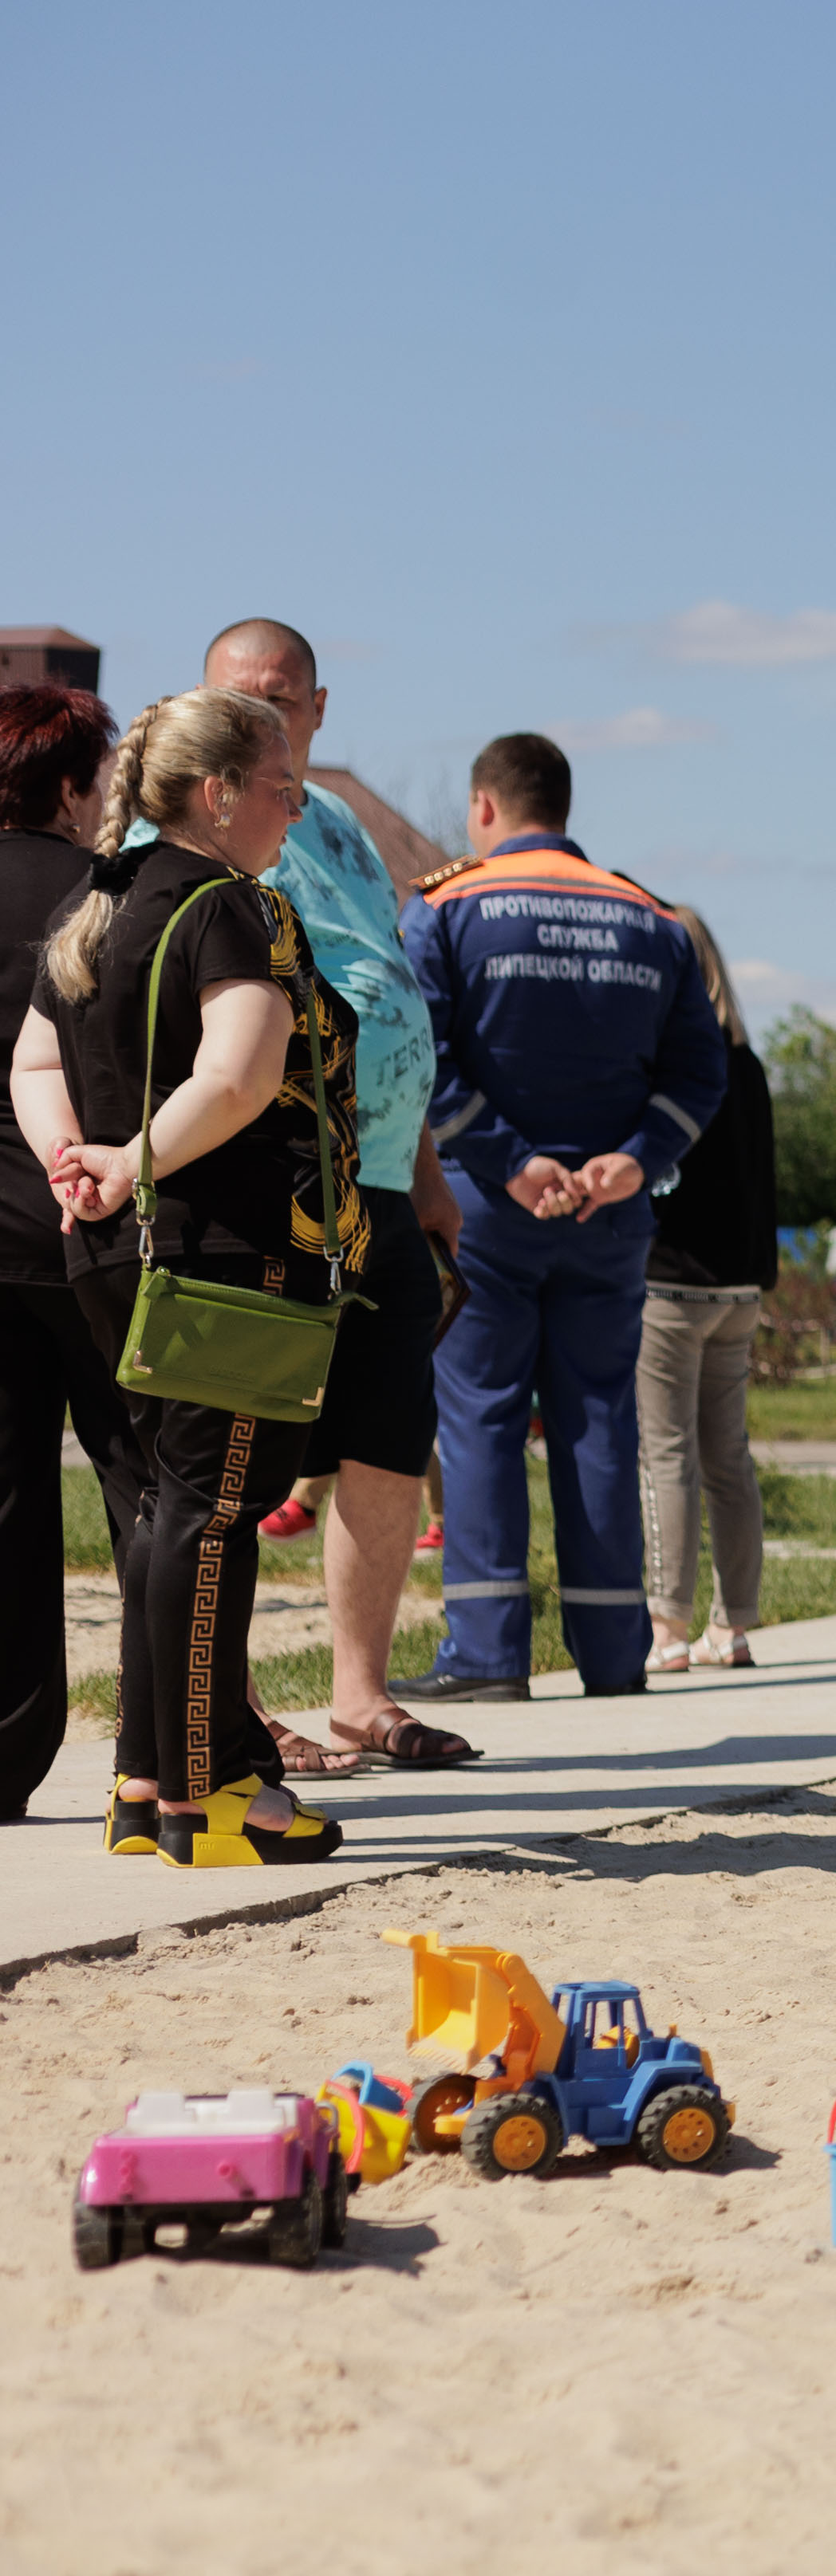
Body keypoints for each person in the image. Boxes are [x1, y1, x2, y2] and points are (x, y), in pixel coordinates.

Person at [9, 687, 365, 1862]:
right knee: (212, 1515)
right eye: (277, 787)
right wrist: (134, 1158)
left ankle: (145, 1778)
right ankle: (209, 1794)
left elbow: (31, 1056)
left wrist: (82, 1163)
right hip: (220, 1250)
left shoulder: (98, 901)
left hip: (115, 1252)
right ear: (217, 794)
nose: (292, 804)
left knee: (168, 1505)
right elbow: (245, 1071)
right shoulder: (225, 904)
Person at [160, 625, 476, 1780]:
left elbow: (385, 982)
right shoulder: (189, 825)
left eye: (283, 700)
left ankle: (360, 1693)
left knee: (388, 1446)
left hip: (384, 1181)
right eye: (239, 700)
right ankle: (235, 1709)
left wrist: (429, 1165)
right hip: (279, 1185)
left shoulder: (330, 820)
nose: (262, 716)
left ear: (320, 707)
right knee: (239, 1463)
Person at [394, 731, 728, 1705]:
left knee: (481, 1419)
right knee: (598, 1418)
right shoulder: (650, 917)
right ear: (564, 807)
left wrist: (510, 1161)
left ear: (484, 808)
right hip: (612, 1216)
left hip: (486, 1209)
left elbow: (423, 1051)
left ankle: (488, 1656)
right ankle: (614, 1656)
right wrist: (634, 1160)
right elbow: (700, 1072)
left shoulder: (447, 906)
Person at [0, 682, 132, 1824]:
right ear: (69, 787)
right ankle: (165, 1749)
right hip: (91, 1222)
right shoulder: (108, 894)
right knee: (148, 1490)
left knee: (6, 1504)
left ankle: (5, 1761)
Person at [639, 910, 773, 1673]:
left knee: (666, 1456)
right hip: (740, 1286)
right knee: (729, 1457)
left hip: (670, 1281)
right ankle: (736, 1626)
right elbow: (763, 1180)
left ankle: (668, 1627)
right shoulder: (747, 1066)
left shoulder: (666, 1061)